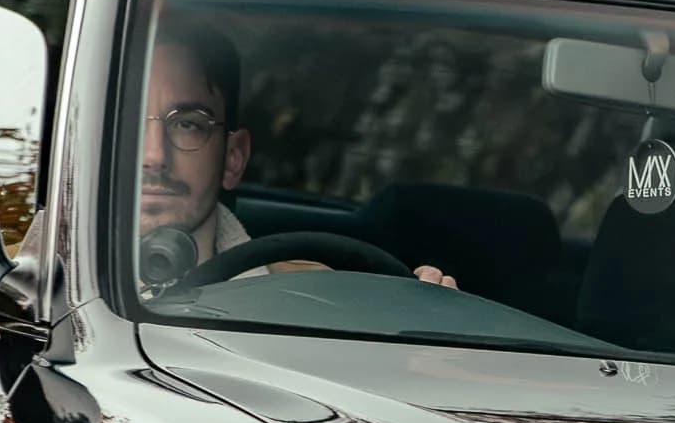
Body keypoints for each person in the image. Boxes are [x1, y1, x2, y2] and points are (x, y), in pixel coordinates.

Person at [137, 22, 455, 293]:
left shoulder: (318, 299)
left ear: (233, 158)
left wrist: (422, 345)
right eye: (129, 124)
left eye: (187, 125)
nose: (154, 155)